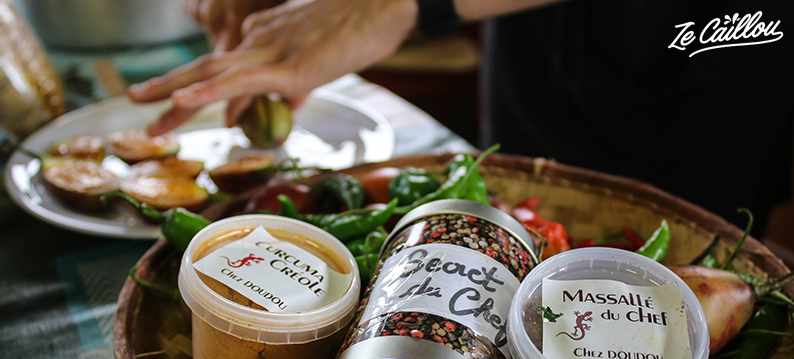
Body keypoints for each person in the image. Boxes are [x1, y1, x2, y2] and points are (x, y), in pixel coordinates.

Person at [128, 0, 793, 235]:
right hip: (534, 36)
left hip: (703, 43)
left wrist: (399, 3)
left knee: (687, 268)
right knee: (516, 219)